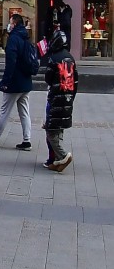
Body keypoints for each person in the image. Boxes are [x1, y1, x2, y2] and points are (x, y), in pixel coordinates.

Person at [0, 13, 35, 150]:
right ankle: (27, 140)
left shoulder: (13, 39)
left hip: (15, 81)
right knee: (24, 112)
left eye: (10, 22)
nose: (9, 25)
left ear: (15, 24)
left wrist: (5, 81)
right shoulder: (26, 38)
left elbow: (10, 62)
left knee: (5, 111)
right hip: (25, 81)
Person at [42, 30, 76, 172]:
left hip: (56, 97)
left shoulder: (54, 58)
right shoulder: (71, 58)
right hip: (67, 97)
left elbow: (48, 78)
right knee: (58, 129)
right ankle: (55, 160)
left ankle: (62, 155)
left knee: (50, 131)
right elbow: (76, 81)